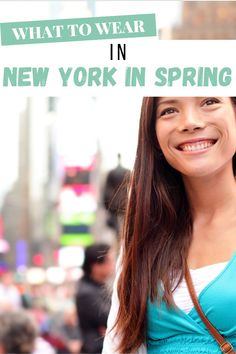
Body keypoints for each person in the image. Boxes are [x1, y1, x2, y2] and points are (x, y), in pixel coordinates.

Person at [102, 97, 236, 354]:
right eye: (169, 110)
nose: (190, 122)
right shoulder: (143, 238)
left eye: (209, 101)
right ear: (152, 132)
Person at [75, 243, 115, 354]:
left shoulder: (98, 287)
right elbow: (114, 320)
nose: (113, 265)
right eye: (110, 261)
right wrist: (114, 330)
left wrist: (112, 331)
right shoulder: (86, 293)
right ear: (96, 266)